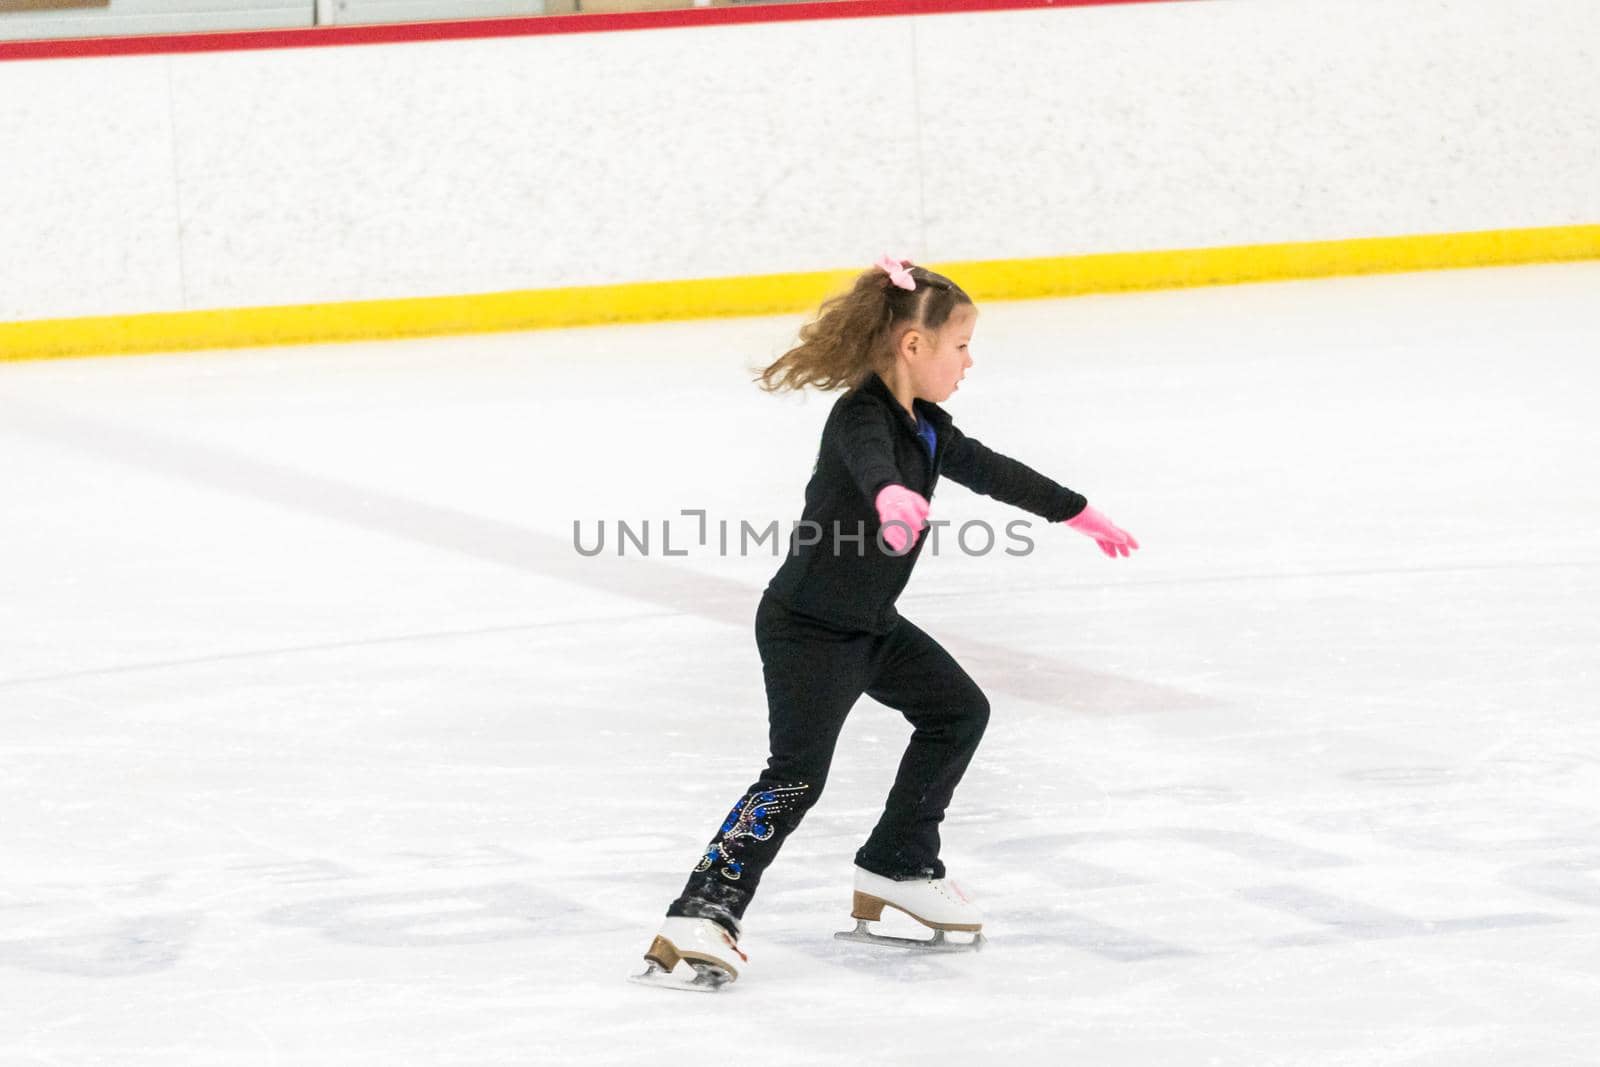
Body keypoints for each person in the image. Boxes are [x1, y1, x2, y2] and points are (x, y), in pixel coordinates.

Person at [632, 256, 1138, 990]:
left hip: (872, 626)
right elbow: (870, 463)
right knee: (794, 777)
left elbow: (996, 471)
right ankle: (702, 906)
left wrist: (1079, 512)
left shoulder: (928, 428)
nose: (969, 361)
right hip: (808, 628)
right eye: (960, 346)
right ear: (913, 347)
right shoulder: (861, 415)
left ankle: (899, 859)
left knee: (958, 711)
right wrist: (892, 499)